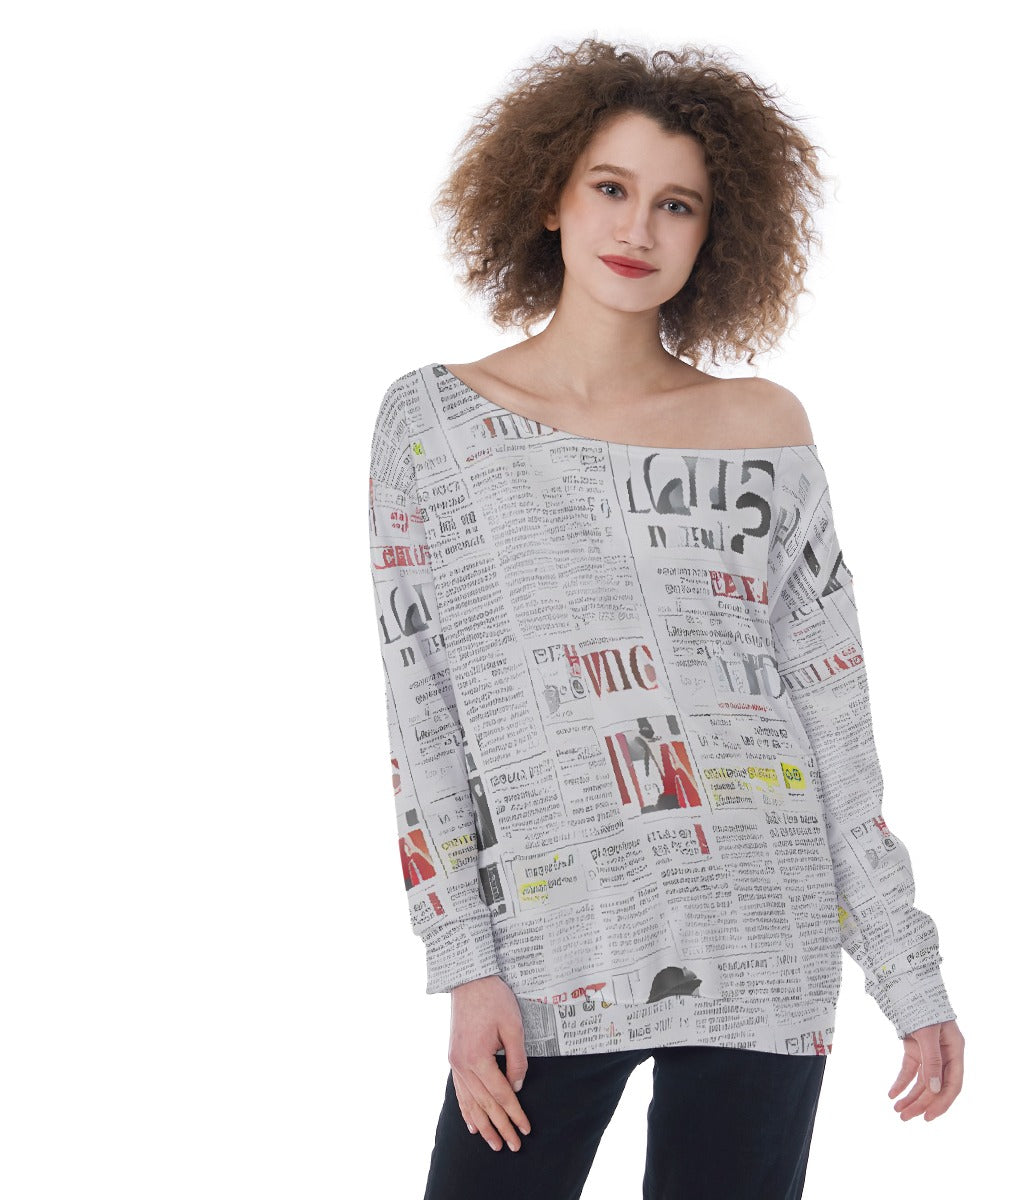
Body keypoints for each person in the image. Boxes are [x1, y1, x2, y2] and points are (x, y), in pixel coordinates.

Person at [368, 38, 965, 1200]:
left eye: (676, 204)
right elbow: (423, 716)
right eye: (611, 186)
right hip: (550, 951)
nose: (637, 228)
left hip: (766, 932)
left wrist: (909, 970)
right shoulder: (435, 422)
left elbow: (833, 713)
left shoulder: (764, 424)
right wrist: (463, 964)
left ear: (713, 233)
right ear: (550, 195)